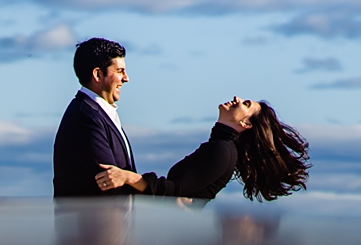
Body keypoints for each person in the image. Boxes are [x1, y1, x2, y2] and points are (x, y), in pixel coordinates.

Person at [94, 97, 309, 202]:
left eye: (245, 105)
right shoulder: (219, 147)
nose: (237, 98)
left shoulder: (223, 151)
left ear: (245, 125)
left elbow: (174, 190)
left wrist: (128, 178)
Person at [53, 38, 137, 198]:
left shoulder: (97, 113)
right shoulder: (85, 117)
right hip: (93, 222)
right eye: (119, 71)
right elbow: (109, 184)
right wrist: (159, 192)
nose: (126, 78)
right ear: (98, 74)